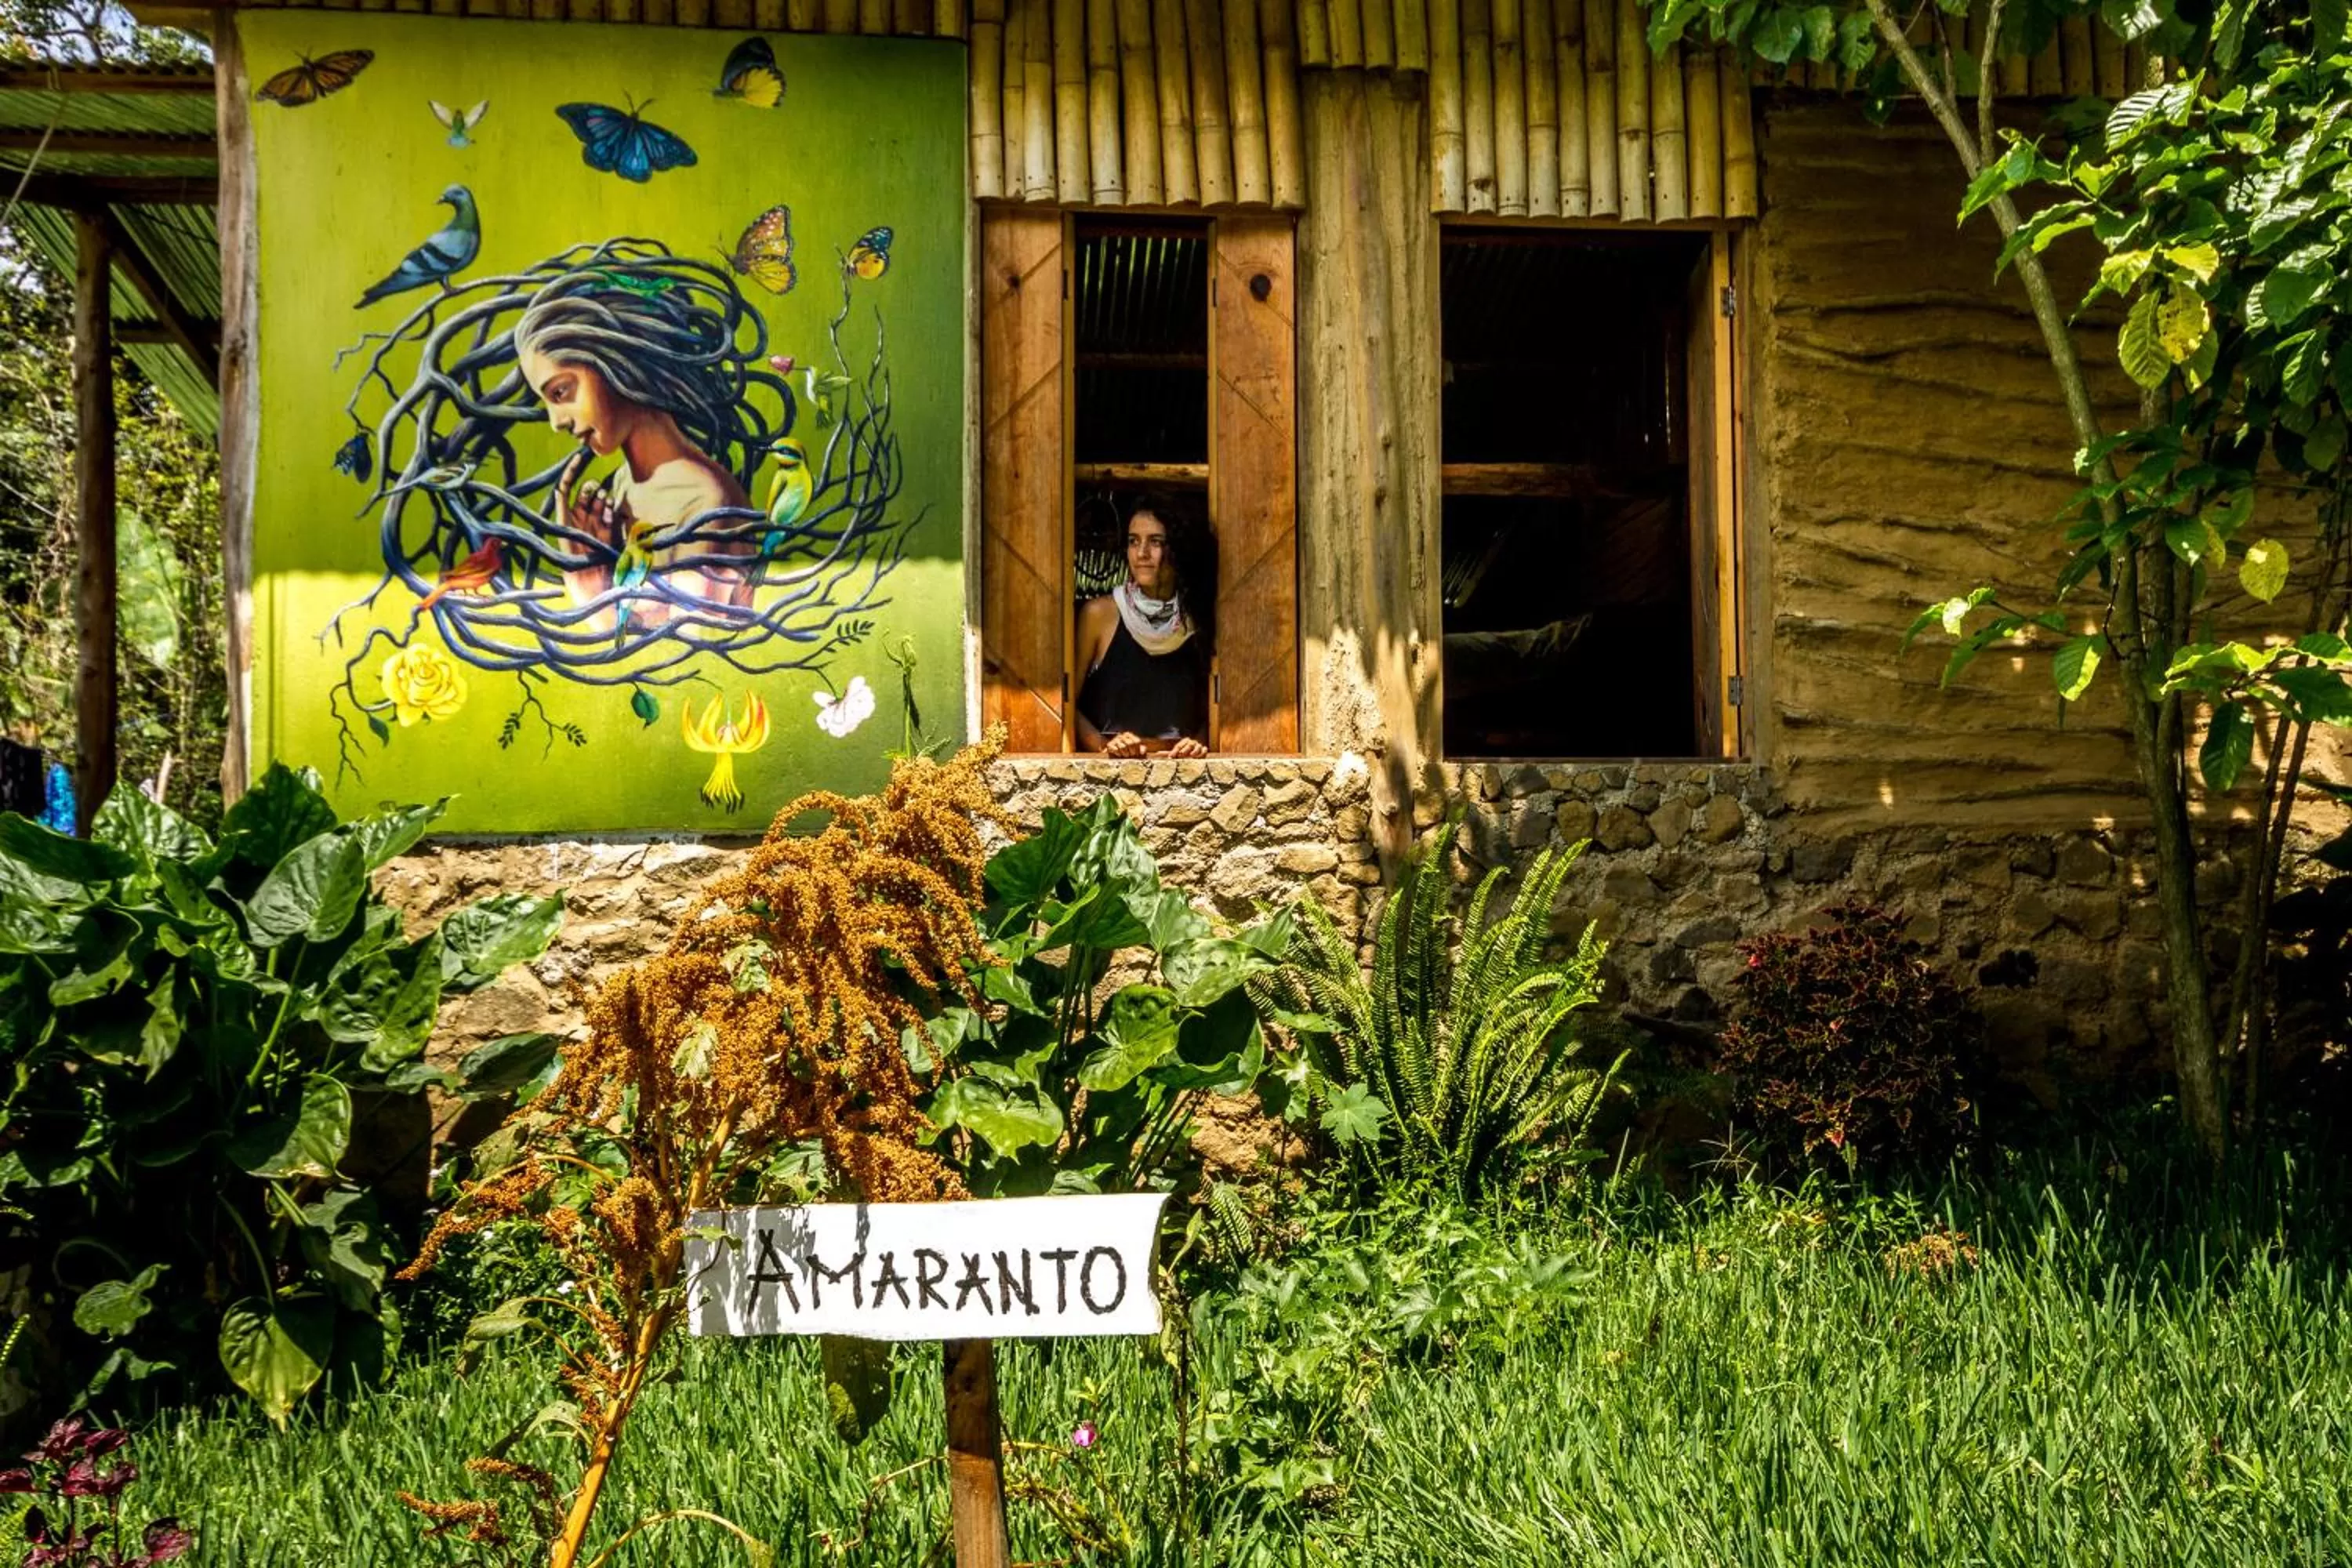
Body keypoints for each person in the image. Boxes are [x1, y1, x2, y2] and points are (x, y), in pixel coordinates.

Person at [512, 286, 760, 635]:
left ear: (615, 364)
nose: (556, 422)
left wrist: (587, 590)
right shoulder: (623, 486)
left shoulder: (705, 502)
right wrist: (595, 559)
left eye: (561, 392)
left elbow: (689, 660)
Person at [1075, 494, 1211, 757]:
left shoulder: (1198, 617)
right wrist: (1103, 748)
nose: (1142, 553)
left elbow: (1214, 711)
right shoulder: (1100, 615)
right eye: (1133, 541)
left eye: (1155, 542)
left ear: (1177, 548)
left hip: (1183, 774)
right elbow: (1066, 705)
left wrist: (1196, 745)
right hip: (1111, 772)